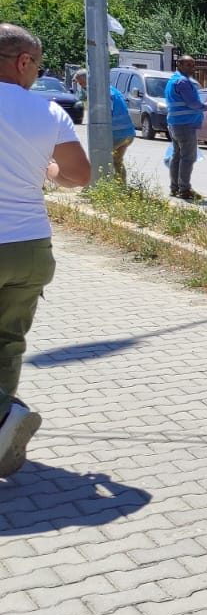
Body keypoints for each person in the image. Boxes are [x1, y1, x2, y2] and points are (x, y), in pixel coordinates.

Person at [0, 24, 92, 478]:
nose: (37, 73)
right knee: (8, 341)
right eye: (37, 65)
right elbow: (77, 175)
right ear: (21, 62)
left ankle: (3, 419)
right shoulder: (49, 113)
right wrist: (50, 167)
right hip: (29, 246)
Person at [71, 69, 135, 181]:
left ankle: (94, 184)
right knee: (117, 161)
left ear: (88, 79)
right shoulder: (110, 89)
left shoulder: (103, 93)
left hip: (118, 134)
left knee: (98, 157)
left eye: (82, 83)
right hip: (128, 133)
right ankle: (121, 187)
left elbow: (106, 114)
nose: (83, 86)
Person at [164, 55, 207, 201]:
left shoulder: (172, 80)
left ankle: (175, 188)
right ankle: (184, 189)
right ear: (180, 65)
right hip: (185, 124)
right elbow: (192, 103)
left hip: (175, 123)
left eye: (193, 65)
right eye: (189, 65)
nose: (192, 68)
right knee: (187, 157)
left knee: (177, 156)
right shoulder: (183, 82)